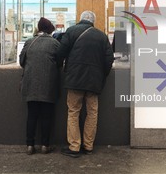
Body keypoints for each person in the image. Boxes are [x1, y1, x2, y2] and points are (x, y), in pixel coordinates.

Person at [56, 10, 114, 158]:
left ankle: (74, 146)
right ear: (93, 21)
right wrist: (102, 75)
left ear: (80, 19)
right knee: (92, 113)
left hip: (75, 79)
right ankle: (88, 145)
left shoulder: (71, 31)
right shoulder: (102, 36)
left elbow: (60, 52)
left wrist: (61, 68)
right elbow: (109, 60)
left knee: (73, 112)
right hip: (94, 82)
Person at [19, 17, 61, 155]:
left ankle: (30, 145)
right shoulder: (55, 43)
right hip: (48, 84)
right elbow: (60, 62)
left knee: (31, 115)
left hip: (31, 84)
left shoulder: (30, 42)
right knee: (46, 116)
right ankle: (45, 145)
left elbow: (21, 61)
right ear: (50, 30)